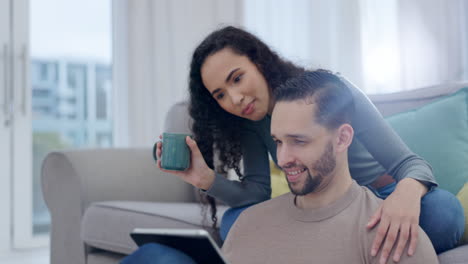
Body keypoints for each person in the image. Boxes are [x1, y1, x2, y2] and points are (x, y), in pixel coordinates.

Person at [145, 26, 462, 262]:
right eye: (220, 95)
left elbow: (410, 164)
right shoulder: (251, 122)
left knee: (443, 211)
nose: (235, 98)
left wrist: (406, 195)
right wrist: (206, 180)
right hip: (318, 211)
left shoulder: (331, 93)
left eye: (237, 78)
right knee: (235, 222)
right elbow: (257, 195)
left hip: (376, 202)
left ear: (258, 61)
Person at [221, 70, 439, 264]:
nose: (282, 159)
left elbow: (407, 162)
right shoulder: (246, 225)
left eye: (299, 141)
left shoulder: (389, 235)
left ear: (342, 139)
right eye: (278, 141)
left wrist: (409, 190)